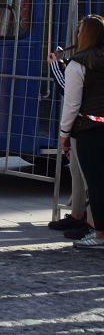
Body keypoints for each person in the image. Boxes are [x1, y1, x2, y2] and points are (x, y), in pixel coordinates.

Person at [60, 15, 104, 250]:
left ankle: (99, 234)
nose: (76, 35)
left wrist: (64, 132)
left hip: (88, 129)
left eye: (79, 31)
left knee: (96, 184)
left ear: (85, 35)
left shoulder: (77, 64)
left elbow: (72, 104)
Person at [49, 44, 91, 239]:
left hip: (85, 124)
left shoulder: (83, 61)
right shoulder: (84, 60)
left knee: (87, 175)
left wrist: (55, 67)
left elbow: (71, 95)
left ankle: (91, 222)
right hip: (83, 124)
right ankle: (79, 214)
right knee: (77, 171)